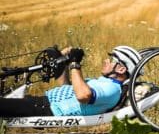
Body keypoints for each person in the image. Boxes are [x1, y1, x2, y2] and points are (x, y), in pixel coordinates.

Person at [0, 45, 141, 118]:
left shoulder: (112, 90)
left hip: (44, 109)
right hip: (41, 103)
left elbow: (83, 96)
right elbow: (67, 90)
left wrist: (75, 63)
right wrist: (63, 62)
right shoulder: (103, 82)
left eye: (111, 59)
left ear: (122, 69)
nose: (106, 61)